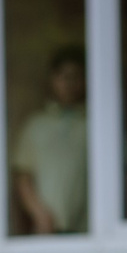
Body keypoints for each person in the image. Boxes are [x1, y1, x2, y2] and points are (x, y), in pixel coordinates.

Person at [13, 45, 90, 236]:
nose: (70, 83)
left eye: (76, 76)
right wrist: (40, 215)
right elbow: (23, 176)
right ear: (53, 79)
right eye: (64, 76)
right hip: (47, 231)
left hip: (89, 230)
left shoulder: (97, 126)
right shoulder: (36, 126)